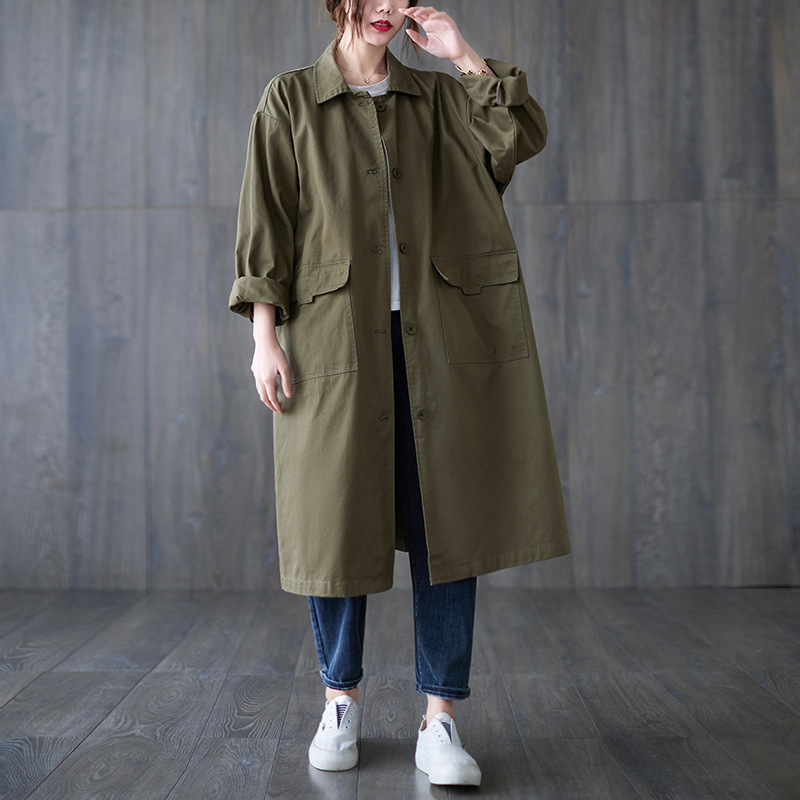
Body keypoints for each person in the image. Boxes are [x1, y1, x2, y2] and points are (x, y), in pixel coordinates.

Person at [229, 0, 571, 787]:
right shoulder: (291, 98)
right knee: (332, 523)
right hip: (332, 339)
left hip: (440, 337)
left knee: (448, 524)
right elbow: (266, 220)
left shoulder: (443, 98)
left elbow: (517, 137)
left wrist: (464, 56)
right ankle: (339, 701)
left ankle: (440, 716)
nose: (386, 7)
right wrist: (263, 337)